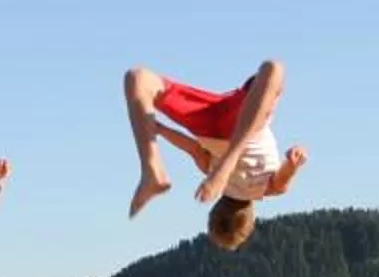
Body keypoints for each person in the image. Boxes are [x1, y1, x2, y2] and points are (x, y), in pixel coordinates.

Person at [122, 58, 309, 250]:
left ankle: (223, 161)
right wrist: (161, 130)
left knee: (274, 70)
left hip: (239, 122)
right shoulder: (209, 172)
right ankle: (151, 169)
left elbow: (282, 181)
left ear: (251, 221)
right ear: (216, 208)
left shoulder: (265, 188)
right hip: (209, 127)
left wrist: (293, 163)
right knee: (138, 79)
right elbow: (193, 148)